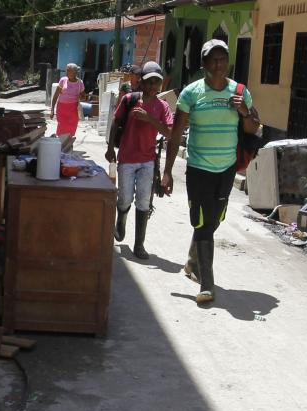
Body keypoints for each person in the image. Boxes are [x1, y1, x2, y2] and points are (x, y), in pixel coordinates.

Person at [164, 39, 261, 303]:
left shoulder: (240, 91)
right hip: (198, 168)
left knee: (213, 220)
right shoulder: (191, 93)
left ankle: (193, 261)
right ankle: (207, 284)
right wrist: (167, 171)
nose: (219, 64)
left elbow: (253, 127)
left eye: (223, 59)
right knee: (203, 223)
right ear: (204, 63)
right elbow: (175, 134)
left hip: (226, 168)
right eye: (213, 59)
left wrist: (243, 111)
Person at [104, 61, 173, 260]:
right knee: (125, 198)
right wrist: (110, 147)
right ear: (142, 82)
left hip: (147, 161)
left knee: (143, 201)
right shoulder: (129, 99)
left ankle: (139, 244)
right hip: (127, 158)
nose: (153, 86)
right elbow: (116, 122)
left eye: (156, 82)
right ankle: (121, 221)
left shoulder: (163, 106)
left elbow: (169, 132)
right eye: (149, 82)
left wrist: (150, 119)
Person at [50, 64, 85, 137]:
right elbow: (56, 96)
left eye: (69, 70)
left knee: (71, 129)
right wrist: (52, 110)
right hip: (62, 109)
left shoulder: (80, 83)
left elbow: (84, 97)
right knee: (61, 128)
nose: (66, 72)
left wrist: (81, 97)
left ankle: (68, 142)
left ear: (75, 72)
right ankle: (60, 142)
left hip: (73, 110)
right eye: (67, 70)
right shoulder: (63, 80)